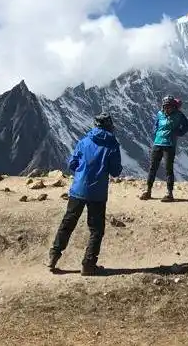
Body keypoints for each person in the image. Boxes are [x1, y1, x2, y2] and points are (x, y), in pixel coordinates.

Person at [47, 113, 123, 276]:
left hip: (78, 189)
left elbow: (72, 163)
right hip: (97, 193)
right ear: (110, 126)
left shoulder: (84, 141)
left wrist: (83, 172)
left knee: (68, 222)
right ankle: (88, 265)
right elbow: (115, 171)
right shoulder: (112, 144)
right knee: (96, 230)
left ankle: (53, 256)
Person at [140, 95, 188, 202]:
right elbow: (156, 125)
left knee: (168, 169)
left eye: (169, 106)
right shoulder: (160, 114)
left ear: (173, 106)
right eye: (165, 106)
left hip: (169, 144)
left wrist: (178, 133)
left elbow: (187, 125)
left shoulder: (178, 115)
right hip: (158, 143)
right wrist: (156, 132)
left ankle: (169, 193)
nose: (167, 108)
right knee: (152, 167)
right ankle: (148, 190)